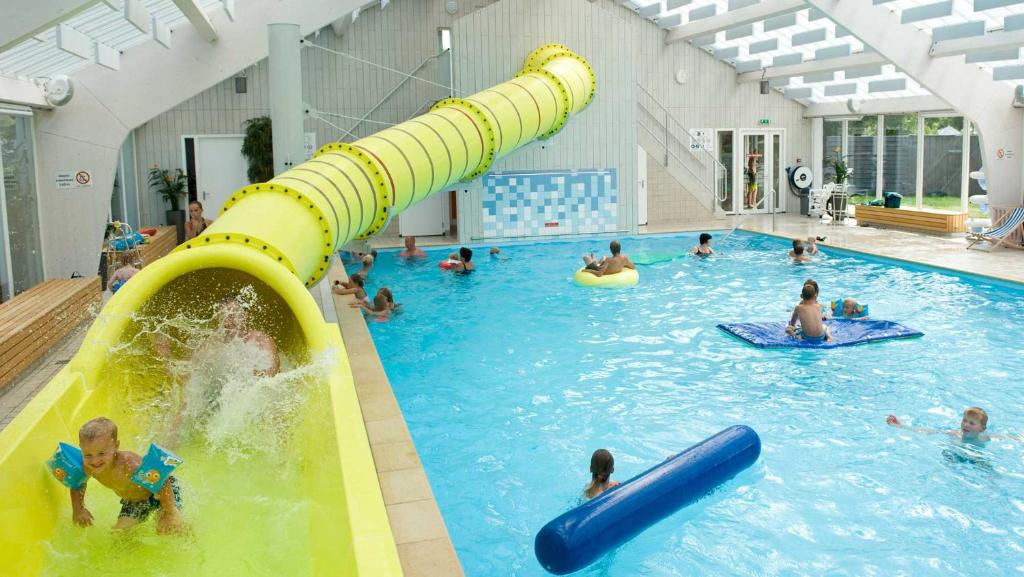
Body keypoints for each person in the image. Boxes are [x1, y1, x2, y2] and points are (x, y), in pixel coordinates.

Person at [68, 417, 185, 534]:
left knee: (169, 529)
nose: (95, 460)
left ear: (116, 446)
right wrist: (79, 509)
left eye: (101, 453)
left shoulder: (129, 465)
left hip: (159, 492)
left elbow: (161, 481)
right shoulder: (87, 466)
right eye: (88, 454)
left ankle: (187, 534)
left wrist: (170, 513)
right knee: (120, 534)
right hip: (134, 501)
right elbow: (78, 483)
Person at [886, 407, 1022, 444]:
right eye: (964, 420)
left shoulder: (985, 437)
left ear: (981, 428)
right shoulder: (955, 434)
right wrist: (901, 426)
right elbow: (927, 431)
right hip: (955, 455)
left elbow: (1008, 437)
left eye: (971, 423)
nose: (966, 425)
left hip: (975, 457)